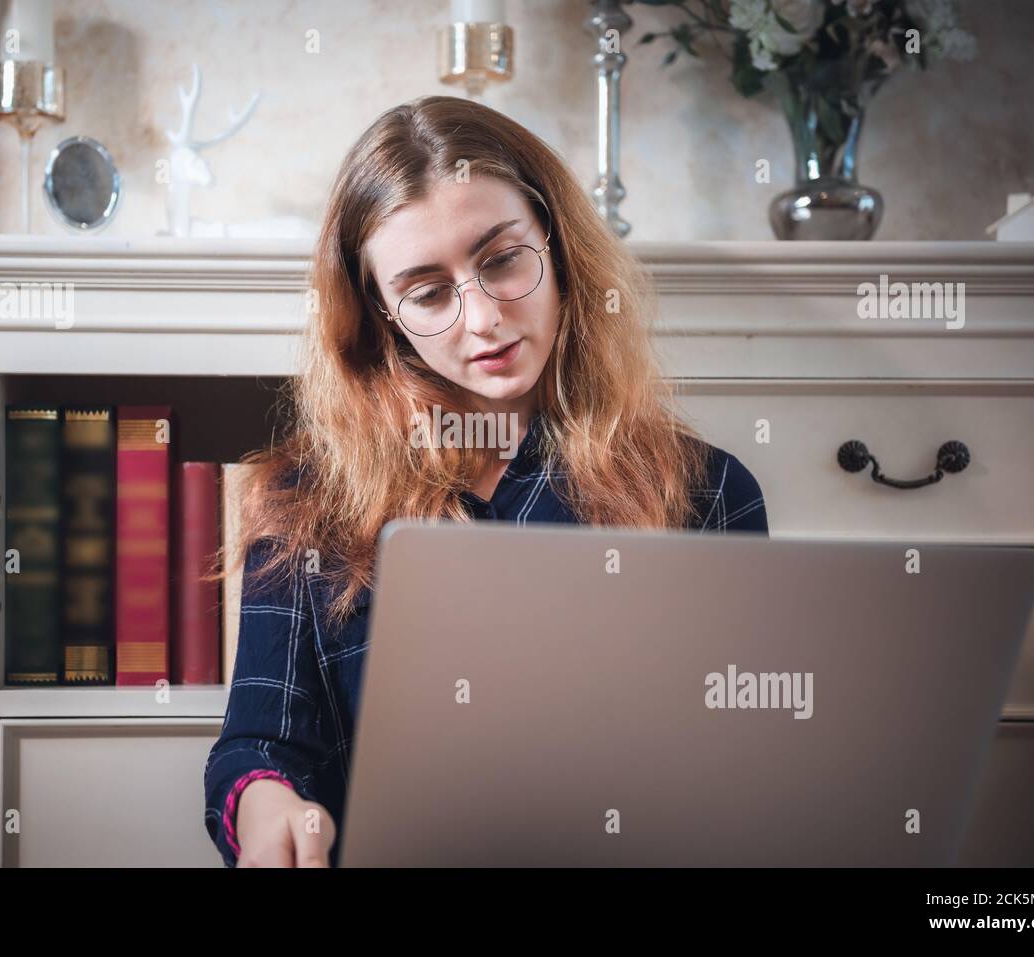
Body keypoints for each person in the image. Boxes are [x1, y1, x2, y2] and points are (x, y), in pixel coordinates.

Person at [204, 94, 769, 868]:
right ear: (382, 316)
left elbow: (749, 772)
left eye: (503, 259)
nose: (483, 319)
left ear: (558, 247)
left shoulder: (708, 492)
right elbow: (259, 744)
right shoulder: (304, 500)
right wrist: (269, 801)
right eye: (429, 292)